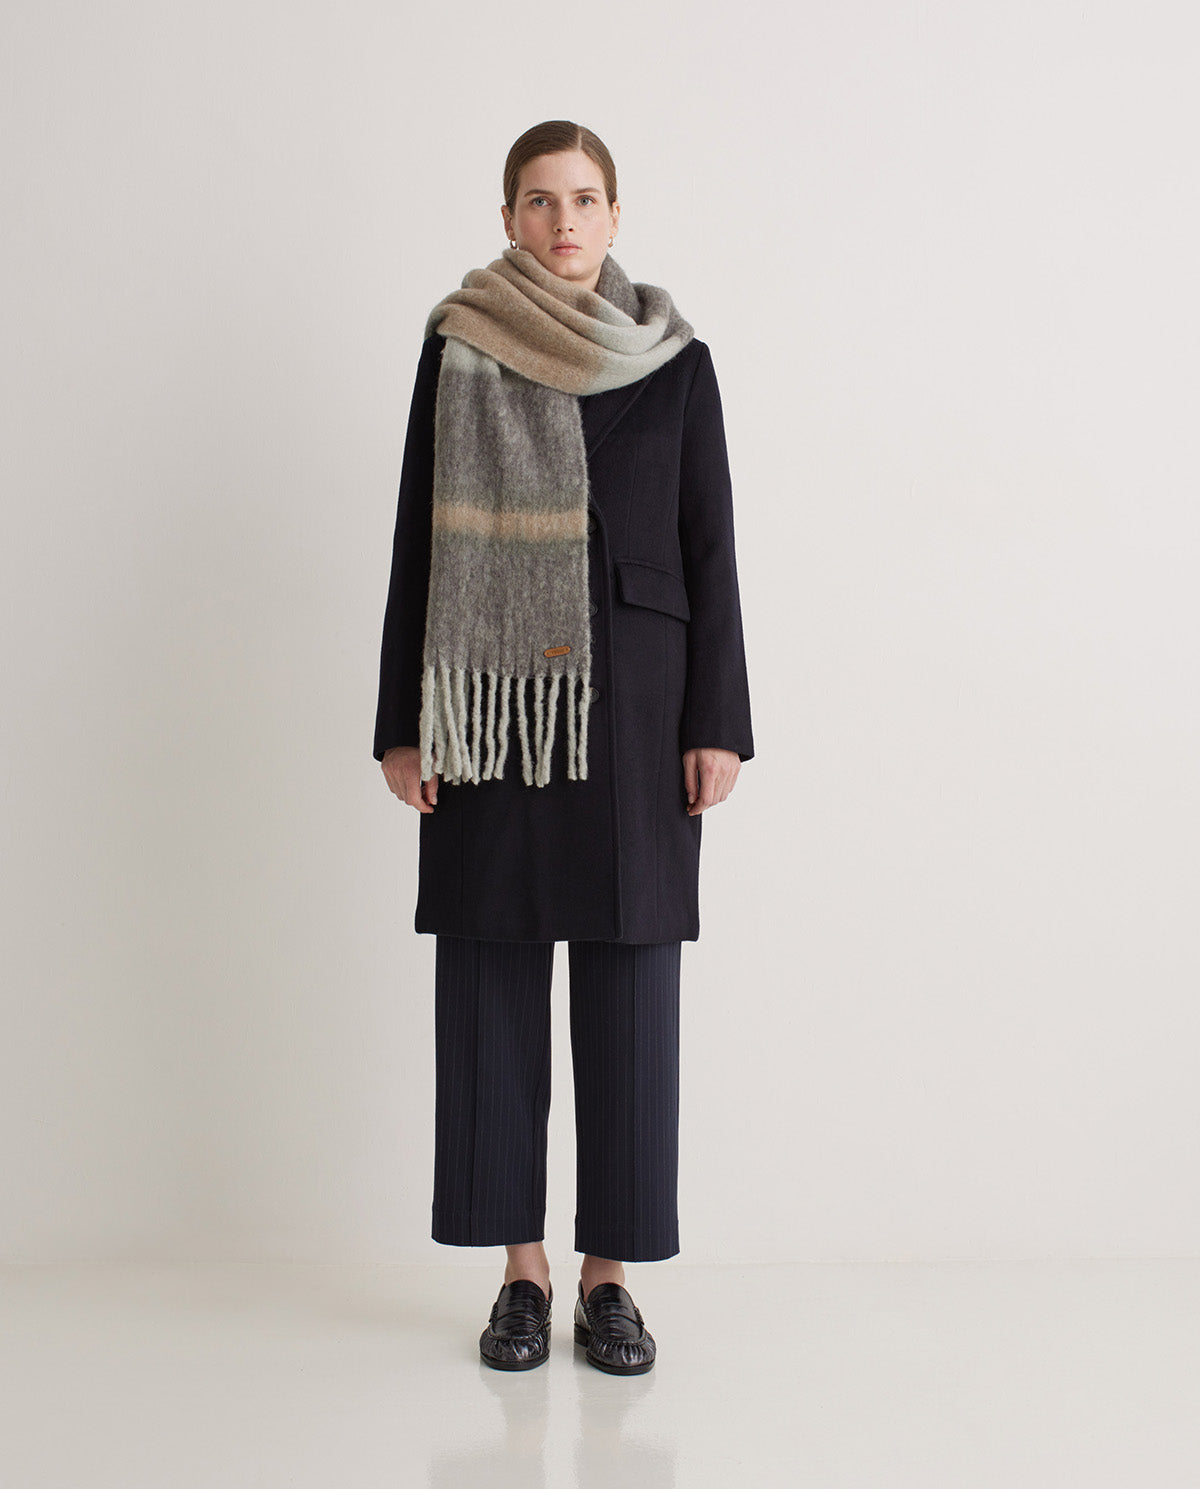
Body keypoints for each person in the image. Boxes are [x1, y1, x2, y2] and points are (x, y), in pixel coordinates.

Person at [373, 120, 754, 1374]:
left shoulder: (676, 362)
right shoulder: (461, 347)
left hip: (640, 707)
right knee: (492, 971)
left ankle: (610, 1279)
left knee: (631, 983)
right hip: (494, 704)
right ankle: (521, 1274)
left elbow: (711, 545)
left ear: (615, 214)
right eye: (539, 202)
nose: (563, 222)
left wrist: (718, 721)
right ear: (508, 219)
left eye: (584, 200)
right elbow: (418, 536)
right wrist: (403, 721)